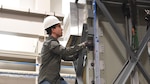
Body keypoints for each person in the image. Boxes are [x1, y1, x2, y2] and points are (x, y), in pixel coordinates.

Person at [38, 16, 89, 84]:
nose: (61, 29)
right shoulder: (50, 43)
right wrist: (83, 45)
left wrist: (79, 54)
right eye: (59, 26)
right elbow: (65, 51)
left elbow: (66, 57)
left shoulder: (55, 44)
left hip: (55, 80)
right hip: (46, 80)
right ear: (53, 29)